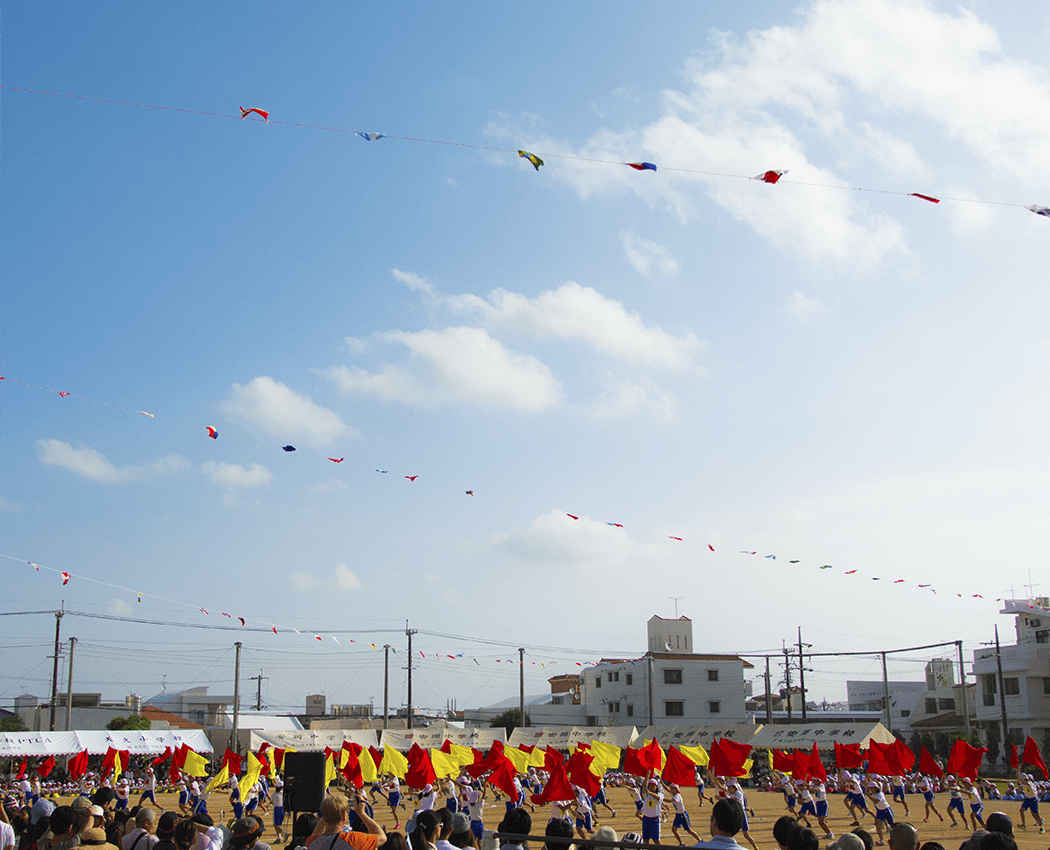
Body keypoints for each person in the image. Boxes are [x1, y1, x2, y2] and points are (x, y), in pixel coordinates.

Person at [307, 793, 385, 850]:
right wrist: (361, 813)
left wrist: (328, 811)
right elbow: (382, 837)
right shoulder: (353, 839)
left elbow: (315, 834)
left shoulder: (312, 842)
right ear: (344, 817)